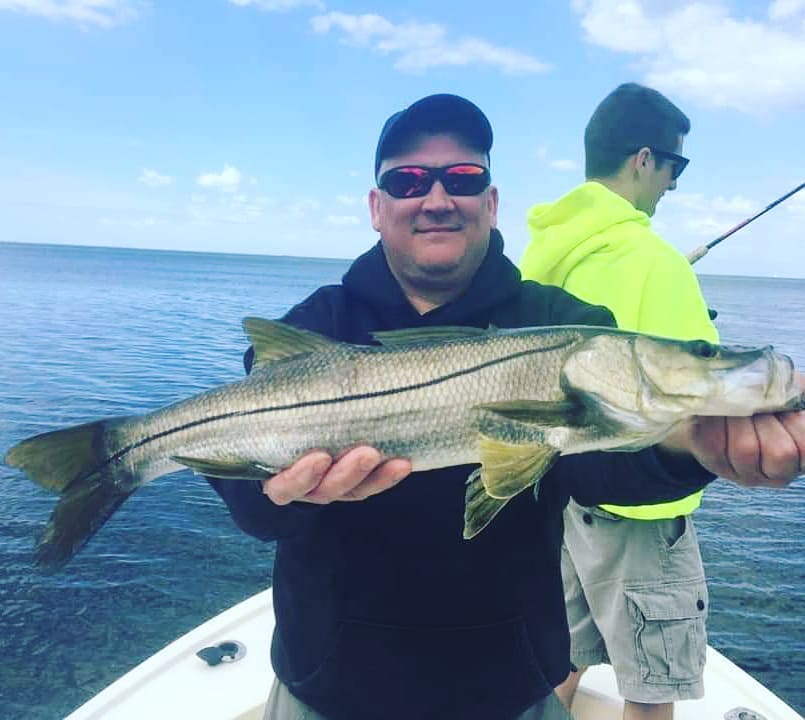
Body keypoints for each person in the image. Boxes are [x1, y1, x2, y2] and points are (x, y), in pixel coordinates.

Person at [209, 93, 805, 720]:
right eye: (408, 180)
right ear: (377, 208)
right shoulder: (317, 325)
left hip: (507, 688)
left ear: (491, 204)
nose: (436, 198)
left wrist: (686, 448)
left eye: (464, 178)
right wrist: (279, 495)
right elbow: (252, 506)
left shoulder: (558, 320)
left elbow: (596, 473)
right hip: (327, 687)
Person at [518, 82, 727, 720]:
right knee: (651, 689)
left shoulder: (544, 253)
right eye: (675, 166)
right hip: (641, 516)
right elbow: (705, 394)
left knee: (564, 659)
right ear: (643, 159)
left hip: (565, 499)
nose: (674, 184)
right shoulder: (656, 262)